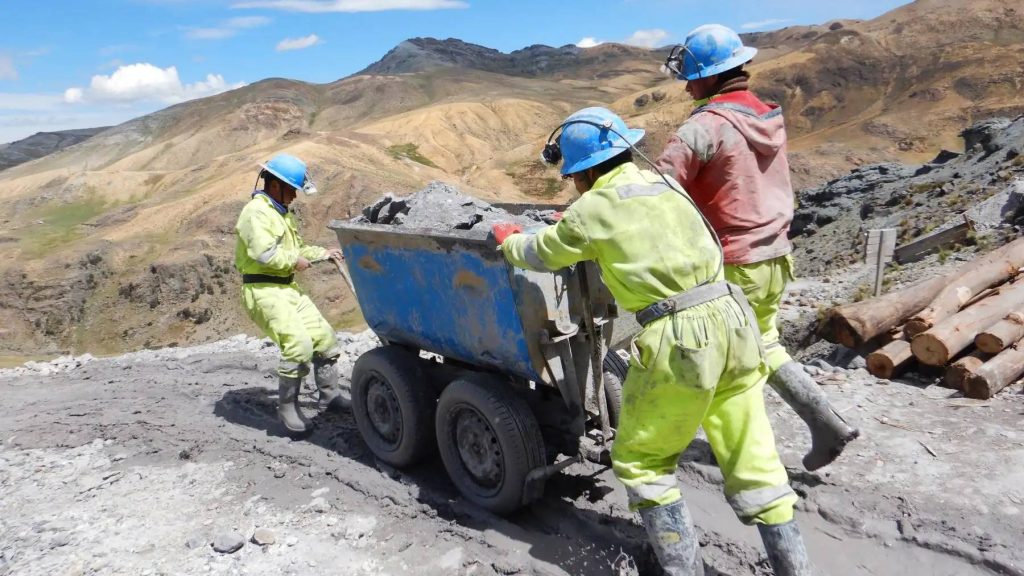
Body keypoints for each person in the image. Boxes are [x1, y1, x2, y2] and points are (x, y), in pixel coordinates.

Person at [493, 107, 812, 576]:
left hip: (681, 336)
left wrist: (508, 240)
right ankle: (794, 568)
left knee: (642, 461)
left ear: (580, 173)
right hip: (735, 318)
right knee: (752, 453)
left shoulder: (592, 209)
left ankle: (680, 569)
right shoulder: (667, 185)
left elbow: (542, 252)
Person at [655, 24, 859, 471]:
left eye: (691, 76)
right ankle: (826, 423)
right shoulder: (766, 115)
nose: (687, 86)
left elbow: (659, 191)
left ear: (711, 76)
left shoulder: (702, 129)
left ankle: (746, 461)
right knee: (764, 344)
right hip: (775, 255)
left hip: (732, 263)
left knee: (727, 370)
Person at [234, 153, 347, 434]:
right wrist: (293, 262)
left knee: (324, 338)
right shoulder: (256, 213)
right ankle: (287, 408)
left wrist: (323, 254)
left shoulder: (278, 213)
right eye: (292, 190)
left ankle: (330, 396)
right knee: (298, 345)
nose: (295, 196)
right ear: (275, 186)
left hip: (286, 287)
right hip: (263, 289)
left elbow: (295, 250)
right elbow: (264, 253)